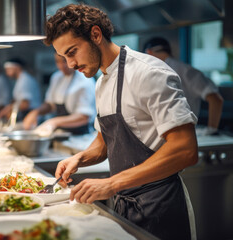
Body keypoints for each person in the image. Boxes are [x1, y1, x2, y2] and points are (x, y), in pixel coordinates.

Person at [45, 4, 198, 240]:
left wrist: (112, 183)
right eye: (64, 57)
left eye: (72, 52)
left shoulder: (149, 73)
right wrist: (79, 159)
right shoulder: (101, 82)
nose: (70, 65)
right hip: (125, 206)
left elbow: (185, 149)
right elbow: (104, 142)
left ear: (96, 35)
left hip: (161, 206)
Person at [144, 37, 224, 135]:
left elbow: (216, 99)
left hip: (183, 134)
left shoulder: (185, 71)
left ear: (149, 52)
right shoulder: (157, 71)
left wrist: (211, 130)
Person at [23, 53, 96, 135]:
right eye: (57, 62)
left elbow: (84, 117)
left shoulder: (85, 81)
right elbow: (50, 105)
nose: (61, 66)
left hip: (81, 135)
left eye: (64, 61)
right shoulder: (56, 77)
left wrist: (53, 122)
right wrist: (35, 112)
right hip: (62, 133)